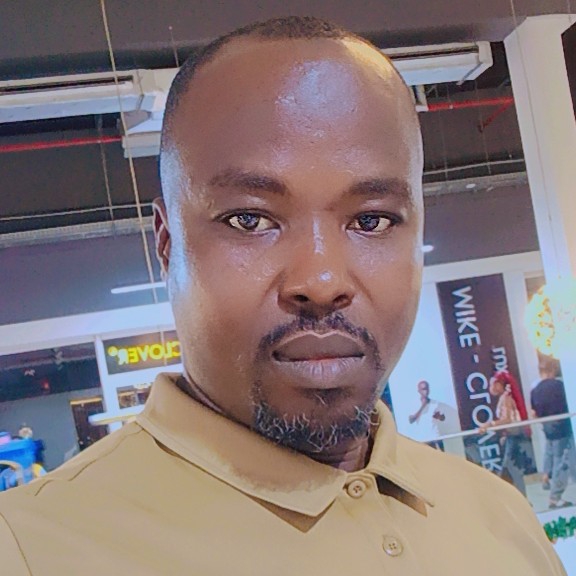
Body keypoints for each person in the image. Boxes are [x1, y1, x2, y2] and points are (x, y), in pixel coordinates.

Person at [0, 16, 565, 576]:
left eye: (372, 220)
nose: (321, 281)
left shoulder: (499, 516)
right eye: (250, 220)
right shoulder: (31, 549)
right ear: (167, 243)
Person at [531, 356, 576, 509]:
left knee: (550, 453)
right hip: (563, 428)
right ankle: (555, 498)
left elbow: (534, 413)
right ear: (552, 370)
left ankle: (545, 475)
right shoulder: (559, 386)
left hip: (547, 428)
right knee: (562, 462)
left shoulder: (535, 390)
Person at [479, 370, 532, 496]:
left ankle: (514, 497)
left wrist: (490, 424)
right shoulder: (505, 397)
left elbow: (507, 419)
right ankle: (522, 497)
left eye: (492, 384)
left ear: (499, 384)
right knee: (514, 469)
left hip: (515, 436)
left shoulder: (506, 398)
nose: (490, 388)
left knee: (508, 468)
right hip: (511, 435)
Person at [408, 380, 446, 449]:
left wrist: (439, 417)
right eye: (423, 389)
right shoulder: (414, 404)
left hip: (436, 436)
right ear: (419, 391)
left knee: (441, 454)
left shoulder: (435, 403)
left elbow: (443, 418)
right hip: (424, 438)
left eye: (427, 388)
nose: (426, 391)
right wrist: (422, 406)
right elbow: (411, 420)